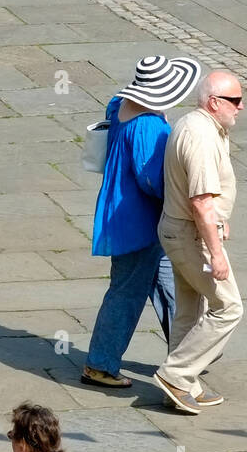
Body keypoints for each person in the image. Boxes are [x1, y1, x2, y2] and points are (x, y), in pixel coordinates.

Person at [84, 54, 201, 388]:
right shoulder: (149, 127)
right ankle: (100, 363)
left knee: (169, 283)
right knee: (127, 291)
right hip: (141, 220)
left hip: (125, 212)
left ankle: (190, 351)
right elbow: (153, 179)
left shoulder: (119, 104)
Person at [153, 70, 246, 415]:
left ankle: (182, 386)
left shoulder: (199, 125)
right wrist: (217, 253)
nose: (241, 107)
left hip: (182, 232)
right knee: (229, 307)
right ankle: (176, 374)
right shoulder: (202, 137)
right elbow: (201, 203)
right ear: (214, 102)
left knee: (190, 310)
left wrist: (220, 223)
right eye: (235, 101)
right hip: (190, 236)